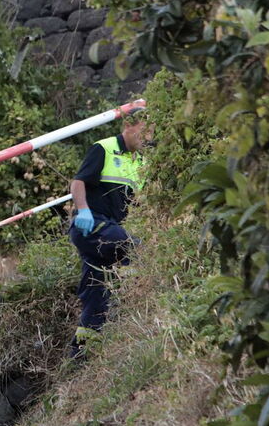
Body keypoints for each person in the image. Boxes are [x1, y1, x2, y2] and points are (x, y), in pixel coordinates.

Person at [68, 108, 150, 358]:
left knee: (95, 295)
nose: (147, 138)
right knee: (132, 245)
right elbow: (78, 182)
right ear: (129, 125)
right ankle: (130, 285)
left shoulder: (142, 162)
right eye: (144, 132)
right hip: (91, 225)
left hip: (111, 230)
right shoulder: (103, 148)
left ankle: (79, 355)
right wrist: (83, 210)